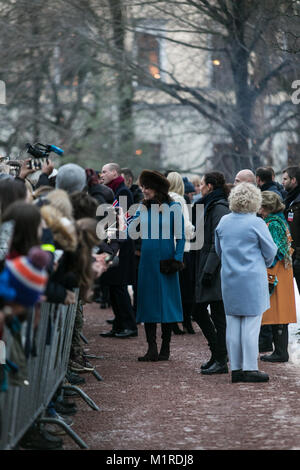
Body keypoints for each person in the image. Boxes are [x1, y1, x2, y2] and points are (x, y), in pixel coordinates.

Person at [215, 182, 277, 383]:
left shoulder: (224, 221)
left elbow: (218, 250)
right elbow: (271, 250)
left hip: (230, 278)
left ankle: (237, 368)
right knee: (251, 324)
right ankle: (250, 367)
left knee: (233, 324)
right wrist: (264, 262)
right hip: (252, 279)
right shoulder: (256, 222)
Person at [130, 170, 185, 361]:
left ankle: (166, 347)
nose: (143, 190)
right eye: (143, 187)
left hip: (167, 261)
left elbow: (182, 237)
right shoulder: (142, 207)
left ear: (157, 189)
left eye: (147, 187)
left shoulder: (174, 207)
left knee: (167, 305)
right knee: (148, 304)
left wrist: (177, 259)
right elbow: (131, 230)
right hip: (147, 262)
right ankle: (151, 348)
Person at [192, 172, 230, 375]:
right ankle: (217, 355)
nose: (199, 188)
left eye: (202, 185)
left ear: (210, 186)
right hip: (207, 266)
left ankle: (220, 358)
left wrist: (208, 270)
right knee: (203, 312)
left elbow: (219, 243)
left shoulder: (219, 207)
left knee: (214, 315)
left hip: (213, 269)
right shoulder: (211, 205)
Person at [99, 163, 137, 338]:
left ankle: (129, 325)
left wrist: (116, 247)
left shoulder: (122, 192)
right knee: (113, 286)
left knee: (119, 286)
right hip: (112, 243)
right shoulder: (112, 190)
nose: (102, 174)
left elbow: (121, 222)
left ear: (115, 173)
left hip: (119, 245)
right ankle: (118, 324)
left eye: (105, 171)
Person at [258, 191, 297, 362]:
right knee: (279, 310)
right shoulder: (278, 220)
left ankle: (281, 352)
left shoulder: (272, 223)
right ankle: (279, 350)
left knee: (279, 311)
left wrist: (266, 266)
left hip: (277, 271)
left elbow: (275, 251)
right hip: (282, 270)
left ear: (267, 207)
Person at [167, 171, 195, 334]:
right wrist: (193, 231)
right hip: (182, 248)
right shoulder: (178, 199)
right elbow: (184, 225)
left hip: (168, 246)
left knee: (173, 286)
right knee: (185, 288)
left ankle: (172, 321)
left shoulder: (163, 200)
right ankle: (185, 321)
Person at [282, 166, 300, 293]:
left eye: (285, 179)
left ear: (293, 180)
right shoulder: (288, 200)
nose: (282, 182)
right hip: (291, 255)